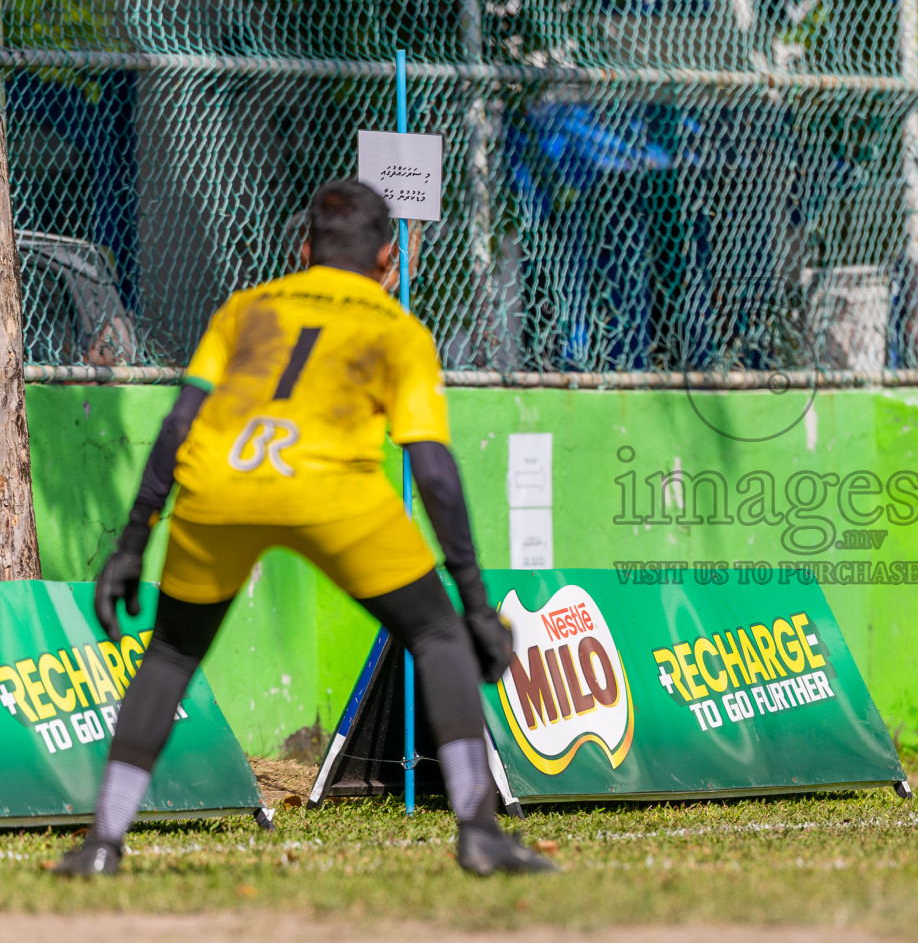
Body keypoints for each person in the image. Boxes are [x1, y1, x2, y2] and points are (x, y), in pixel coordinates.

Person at [54, 180, 556, 876]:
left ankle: (103, 843)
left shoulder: (247, 308)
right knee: (438, 635)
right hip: (333, 490)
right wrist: (474, 602)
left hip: (220, 487)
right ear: (388, 260)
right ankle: (478, 830)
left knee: (169, 654)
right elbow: (434, 471)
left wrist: (133, 540)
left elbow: (179, 424)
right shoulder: (398, 329)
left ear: (303, 250)